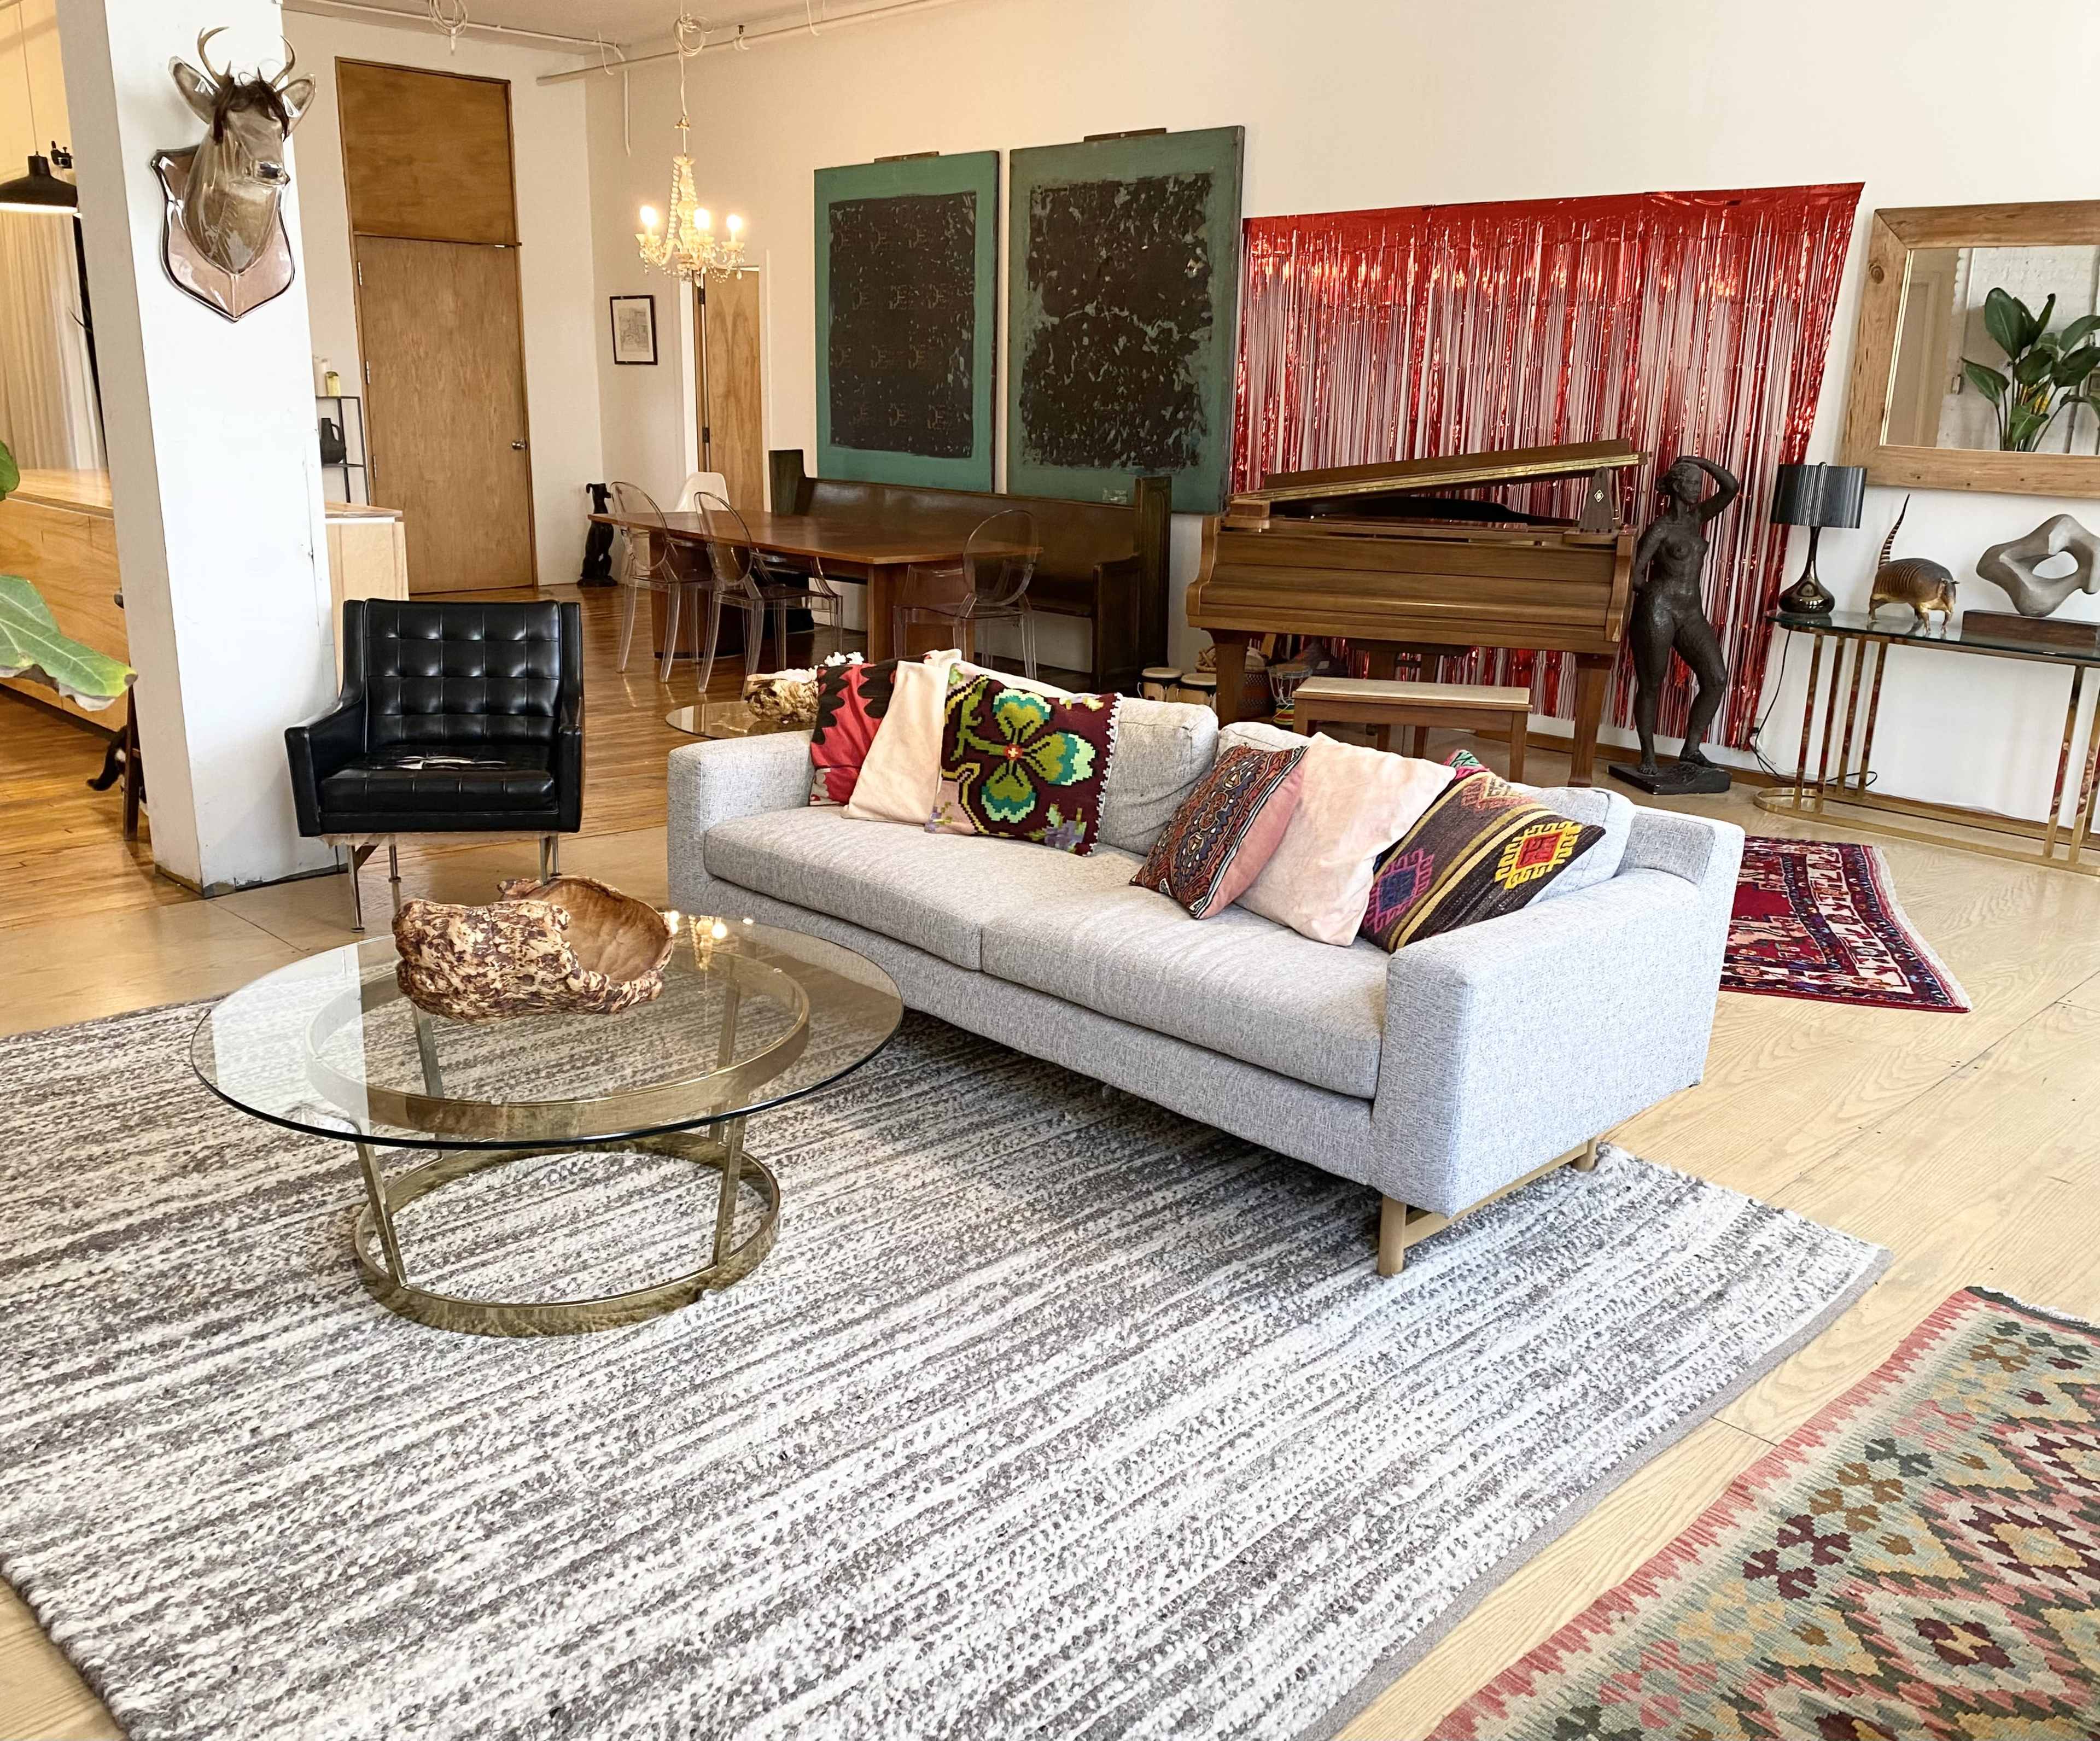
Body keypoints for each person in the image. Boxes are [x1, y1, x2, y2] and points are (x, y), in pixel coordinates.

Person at [1624, 454, 1738, 786]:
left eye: (1699, 484)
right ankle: (1648, 754)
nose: (1698, 490)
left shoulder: (1696, 518)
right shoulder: (1660, 528)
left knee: (1716, 678)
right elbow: (1634, 573)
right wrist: (1653, 596)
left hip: (1691, 612)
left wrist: (1703, 463)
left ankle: (1691, 749)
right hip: (1658, 609)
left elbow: (1731, 488)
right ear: (1676, 486)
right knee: (1651, 684)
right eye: (1692, 483)